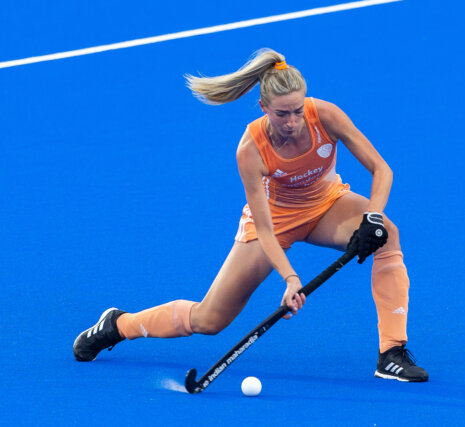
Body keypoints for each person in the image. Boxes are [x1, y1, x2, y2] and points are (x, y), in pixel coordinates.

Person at [73, 48, 428, 382]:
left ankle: (391, 352)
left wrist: (373, 218)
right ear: (263, 107)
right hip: (274, 222)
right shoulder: (250, 149)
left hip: (327, 204)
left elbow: (381, 169)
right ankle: (119, 325)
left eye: (298, 110)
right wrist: (290, 279)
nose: (292, 121)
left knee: (388, 234)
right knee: (209, 319)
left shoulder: (326, 115)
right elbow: (266, 230)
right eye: (282, 114)